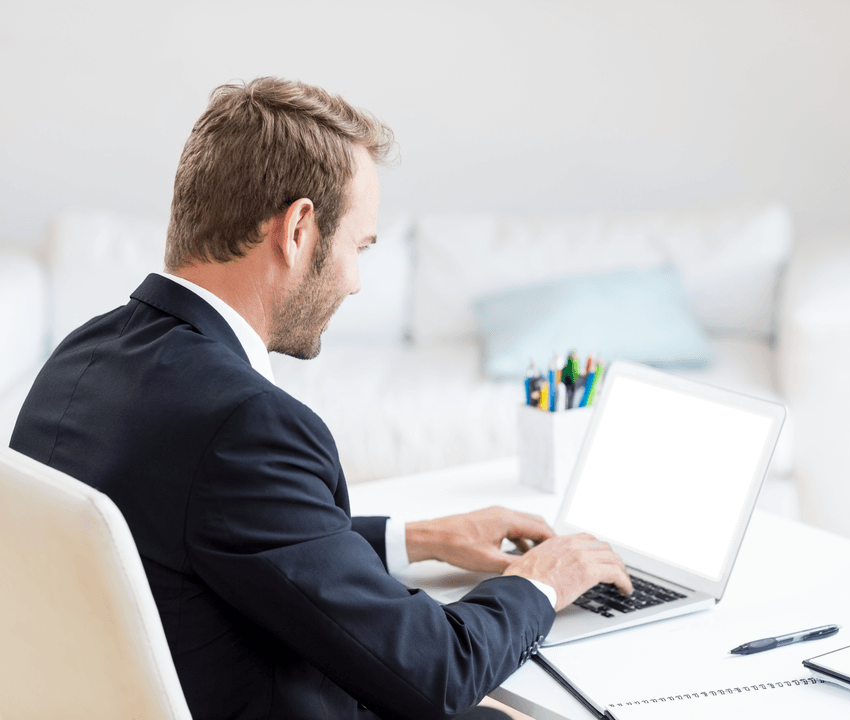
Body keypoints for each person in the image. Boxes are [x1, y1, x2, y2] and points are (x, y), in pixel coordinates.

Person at [9, 77, 631, 720]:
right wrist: (541, 583)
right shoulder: (246, 426)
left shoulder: (82, 358)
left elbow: (212, 535)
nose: (357, 283)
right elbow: (437, 674)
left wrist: (415, 538)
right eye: (359, 248)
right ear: (299, 228)